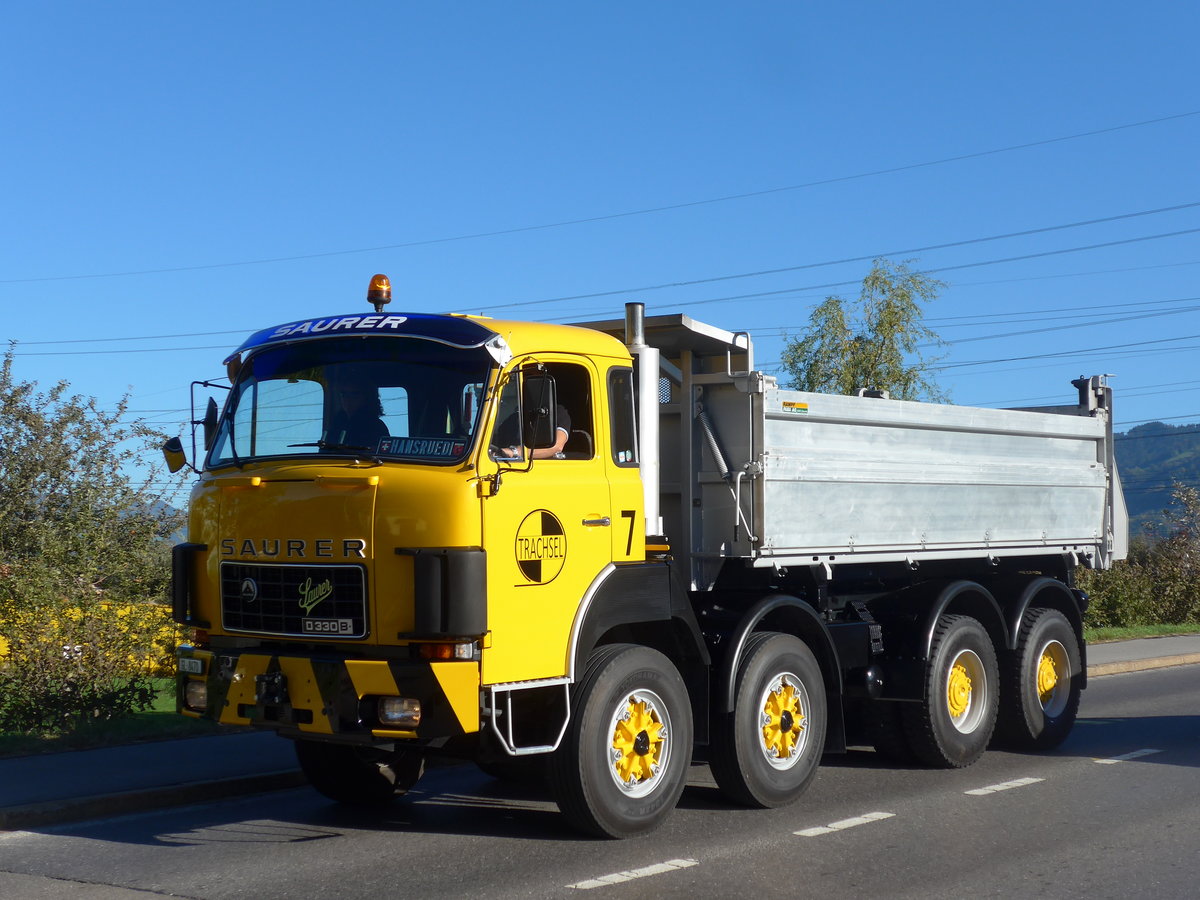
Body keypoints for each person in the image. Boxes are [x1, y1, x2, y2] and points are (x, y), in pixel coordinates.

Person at [494, 402, 571, 460]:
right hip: (507, 466)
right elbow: (496, 447)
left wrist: (515, 452)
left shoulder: (557, 412)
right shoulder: (512, 418)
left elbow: (557, 446)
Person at [326, 382, 389, 449]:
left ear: (367, 398)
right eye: (344, 394)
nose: (348, 399)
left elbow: (382, 453)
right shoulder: (336, 425)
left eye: (355, 394)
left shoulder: (377, 427)